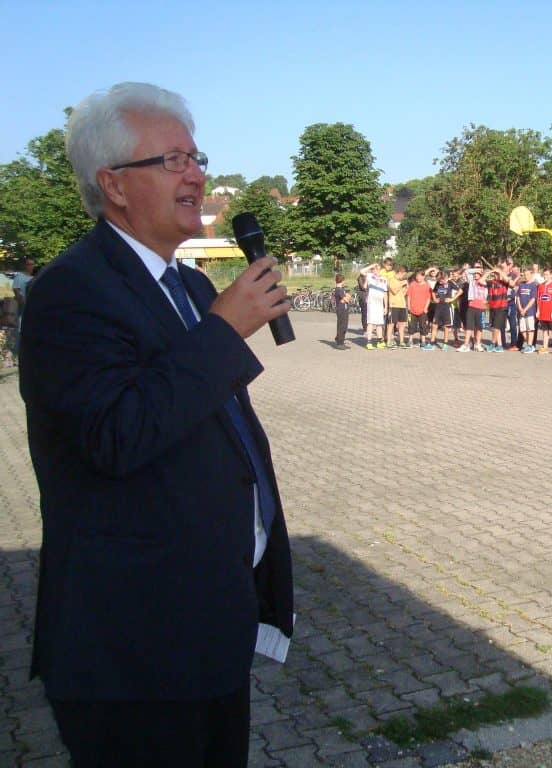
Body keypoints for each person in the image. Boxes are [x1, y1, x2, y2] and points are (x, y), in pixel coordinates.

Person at [18, 82, 293, 767]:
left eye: (197, 157)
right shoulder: (70, 292)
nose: (197, 175)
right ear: (113, 184)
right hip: (133, 651)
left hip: (208, 626)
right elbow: (118, 435)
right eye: (173, 160)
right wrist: (224, 331)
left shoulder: (193, 287)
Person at [429, 269, 461, 349]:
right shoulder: (438, 283)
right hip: (438, 307)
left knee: (447, 326)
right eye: (438, 280)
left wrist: (453, 299)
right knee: (434, 325)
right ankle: (432, 343)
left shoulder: (450, 283)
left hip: (447, 307)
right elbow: (433, 292)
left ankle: (445, 344)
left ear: (444, 278)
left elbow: (460, 290)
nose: (439, 282)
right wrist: (434, 299)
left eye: (440, 280)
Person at [361, 262, 389, 349]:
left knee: (379, 323)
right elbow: (362, 271)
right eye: (374, 269)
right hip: (371, 303)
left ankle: (379, 341)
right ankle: (369, 342)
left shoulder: (384, 279)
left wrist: (386, 306)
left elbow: (385, 293)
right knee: (370, 323)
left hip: (380, 304)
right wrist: (372, 265)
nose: (376, 270)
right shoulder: (369, 276)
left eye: (377, 268)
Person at [11, 258, 34, 355]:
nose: (31, 266)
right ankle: (17, 351)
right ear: (25, 265)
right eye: (29, 264)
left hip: (31, 307)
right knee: (20, 328)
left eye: (32, 264)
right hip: (22, 306)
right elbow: (16, 290)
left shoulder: (33, 278)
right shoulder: (19, 277)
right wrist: (22, 301)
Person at [535, 267, 552, 354]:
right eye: (544, 274)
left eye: (547, 274)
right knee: (544, 330)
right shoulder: (541, 286)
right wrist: (538, 311)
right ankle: (545, 347)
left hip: (551, 312)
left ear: (551, 275)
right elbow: (538, 299)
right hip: (542, 312)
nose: (545, 276)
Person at [406, 269, 433, 348]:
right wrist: (408, 306)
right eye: (417, 276)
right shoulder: (412, 284)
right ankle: (410, 340)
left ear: (424, 276)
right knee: (411, 325)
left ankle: (423, 341)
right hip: (412, 309)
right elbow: (409, 296)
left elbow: (428, 298)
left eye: (420, 276)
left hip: (422, 310)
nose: (418, 278)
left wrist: (426, 308)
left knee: (423, 326)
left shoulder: (427, 286)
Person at [515, 267, 538, 353]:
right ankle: (530, 344)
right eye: (524, 275)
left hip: (530, 311)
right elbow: (518, 297)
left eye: (528, 274)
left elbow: (533, 299)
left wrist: (525, 309)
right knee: (523, 329)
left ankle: (529, 345)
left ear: (531, 275)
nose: (526, 276)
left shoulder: (533, 286)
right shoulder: (521, 284)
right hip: (521, 311)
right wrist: (520, 308)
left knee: (530, 329)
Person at [386, 264, 409, 348]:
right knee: (391, 324)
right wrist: (402, 283)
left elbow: (403, 293)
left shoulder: (402, 281)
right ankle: (388, 341)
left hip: (402, 305)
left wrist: (406, 288)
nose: (404, 277)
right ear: (401, 272)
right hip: (393, 305)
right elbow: (394, 291)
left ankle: (401, 341)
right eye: (404, 274)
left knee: (402, 324)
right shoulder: (391, 280)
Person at [333, 273, 352, 347]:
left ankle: (340, 340)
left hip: (344, 309)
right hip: (341, 309)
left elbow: (346, 298)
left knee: (344, 326)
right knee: (342, 326)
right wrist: (348, 297)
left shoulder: (341, 289)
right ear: (342, 281)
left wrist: (347, 297)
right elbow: (346, 299)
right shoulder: (339, 289)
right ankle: (339, 342)